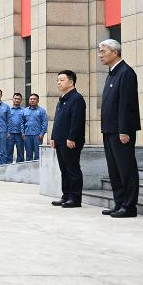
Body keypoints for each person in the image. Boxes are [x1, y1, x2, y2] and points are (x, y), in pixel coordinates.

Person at [98, 39, 141, 218]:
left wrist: (124, 130)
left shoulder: (126, 73)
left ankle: (129, 206)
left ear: (114, 52)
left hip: (121, 131)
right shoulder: (112, 74)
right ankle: (119, 203)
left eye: (103, 51)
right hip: (109, 129)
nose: (100, 55)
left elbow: (127, 104)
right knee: (114, 169)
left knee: (126, 168)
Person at [50, 70, 85, 208]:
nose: (58, 82)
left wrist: (72, 137)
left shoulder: (76, 98)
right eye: (57, 80)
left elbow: (77, 121)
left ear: (71, 82)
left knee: (72, 169)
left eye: (62, 80)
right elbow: (58, 120)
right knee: (64, 169)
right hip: (60, 140)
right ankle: (66, 195)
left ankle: (75, 198)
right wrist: (53, 137)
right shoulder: (63, 99)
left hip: (70, 141)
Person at [22, 94, 47, 161]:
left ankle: (38, 170)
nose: (32, 100)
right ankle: (29, 170)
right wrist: (22, 133)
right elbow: (22, 123)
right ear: (29, 100)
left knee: (38, 155)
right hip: (27, 135)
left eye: (34, 99)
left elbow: (44, 123)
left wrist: (42, 133)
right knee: (28, 155)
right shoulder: (25, 111)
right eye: (31, 99)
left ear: (38, 100)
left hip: (37, 136)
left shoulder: (42, 111)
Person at [6, 93, 26, 164]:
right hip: (10, 134)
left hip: (20, 135)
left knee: (21, 153)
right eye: (15, 98)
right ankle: (8, 167)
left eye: (18, 99)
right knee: (8, 152)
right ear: (12, 99)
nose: (16, 100)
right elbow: (5, 121)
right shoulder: (8, 110)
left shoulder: (24, 110)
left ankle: (20, 168)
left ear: (21, 100)